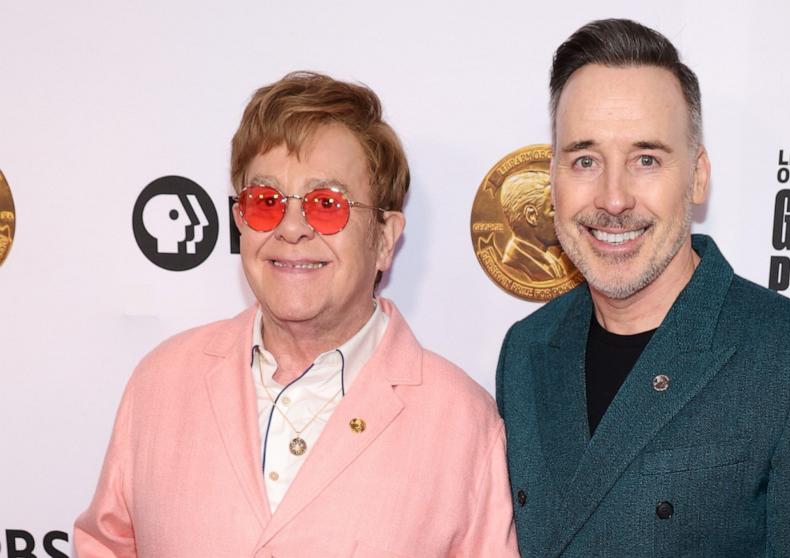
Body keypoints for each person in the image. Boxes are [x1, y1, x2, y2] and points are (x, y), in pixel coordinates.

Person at [75, 71, 518, 557]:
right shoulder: (160, 382)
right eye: (265, 202)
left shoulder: (463, 424)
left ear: (384, 238)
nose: (291, 228)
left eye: (326, 204)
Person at [496, 19, 790, 557]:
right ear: (552, 178)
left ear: (697, 177)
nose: (614, 197)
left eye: (646, 159)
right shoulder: (526, 350)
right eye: (585, 160)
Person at [499, 170, 568, 282]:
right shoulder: (514, 262)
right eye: (554, 209)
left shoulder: (550, 259)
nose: (564, 217)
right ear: (531, 216)